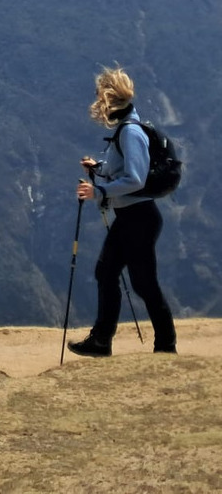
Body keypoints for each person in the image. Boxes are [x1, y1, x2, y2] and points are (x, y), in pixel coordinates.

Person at [68, 66, 176, 357]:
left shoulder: (130, 132)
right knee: (110, 273)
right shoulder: (128, 128)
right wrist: (100, 169)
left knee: (141, 283)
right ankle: (104, 340)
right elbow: (126, 171)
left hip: (138, 219)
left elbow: (136, 179)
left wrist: (98, 191)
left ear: (108, 101)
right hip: (134, 218)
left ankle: (164, 347)